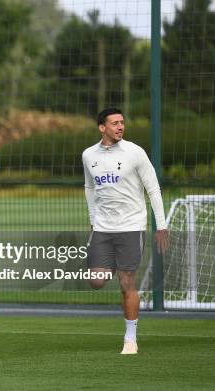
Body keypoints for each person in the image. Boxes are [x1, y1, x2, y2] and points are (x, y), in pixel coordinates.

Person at [82, 108, 169, 355]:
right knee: (97, 281)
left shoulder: (135, 152)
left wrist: (161, 225)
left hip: (131, 226)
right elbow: (89, 188)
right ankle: (107, 265)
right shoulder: (88, 155)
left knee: (126, 282)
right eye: (115, 123)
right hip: (102, 228)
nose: (120, 127)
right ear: (102, 127)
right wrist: (92, 219)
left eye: (122, 122)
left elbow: (153, 189)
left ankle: (130, 337)